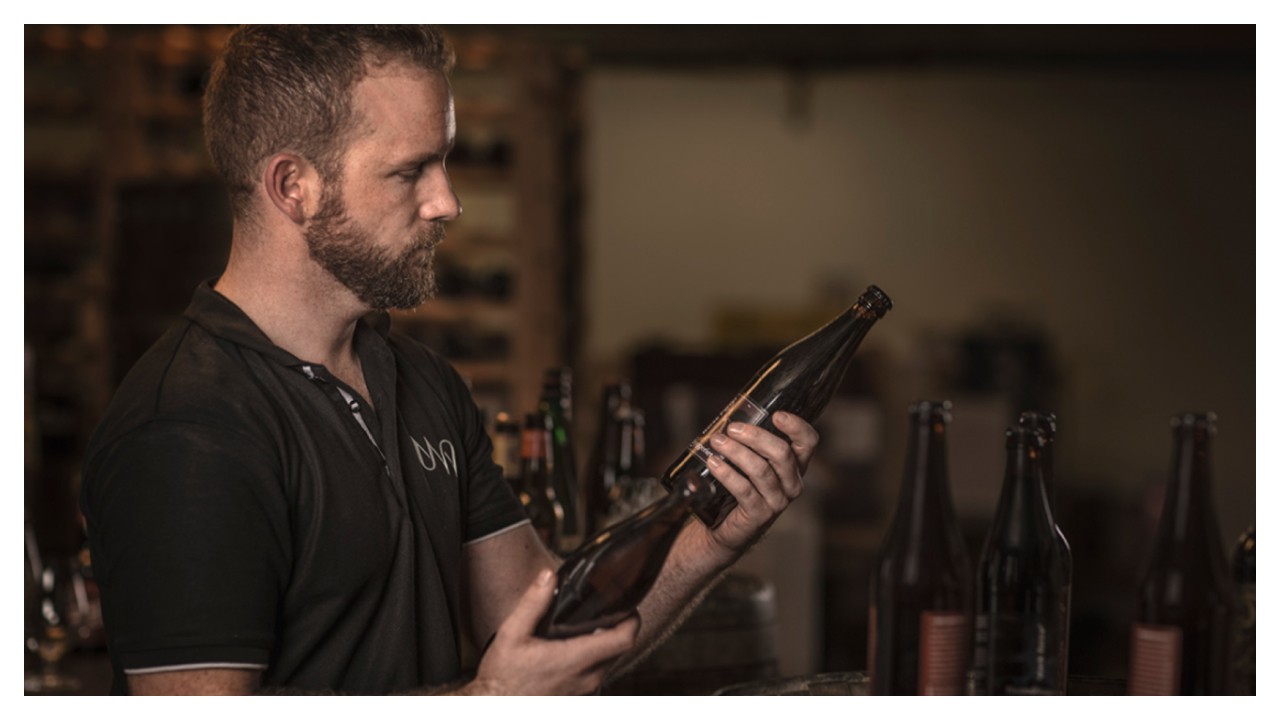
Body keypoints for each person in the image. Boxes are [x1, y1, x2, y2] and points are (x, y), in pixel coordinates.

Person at [80, 25, 819, 696]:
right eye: (411, 171)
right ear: (292, 187)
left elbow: (554, 629)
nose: (448, 202)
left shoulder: (423, 381)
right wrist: (489, 702)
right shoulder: (186, 430)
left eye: (446, 162)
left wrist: (713, 536)